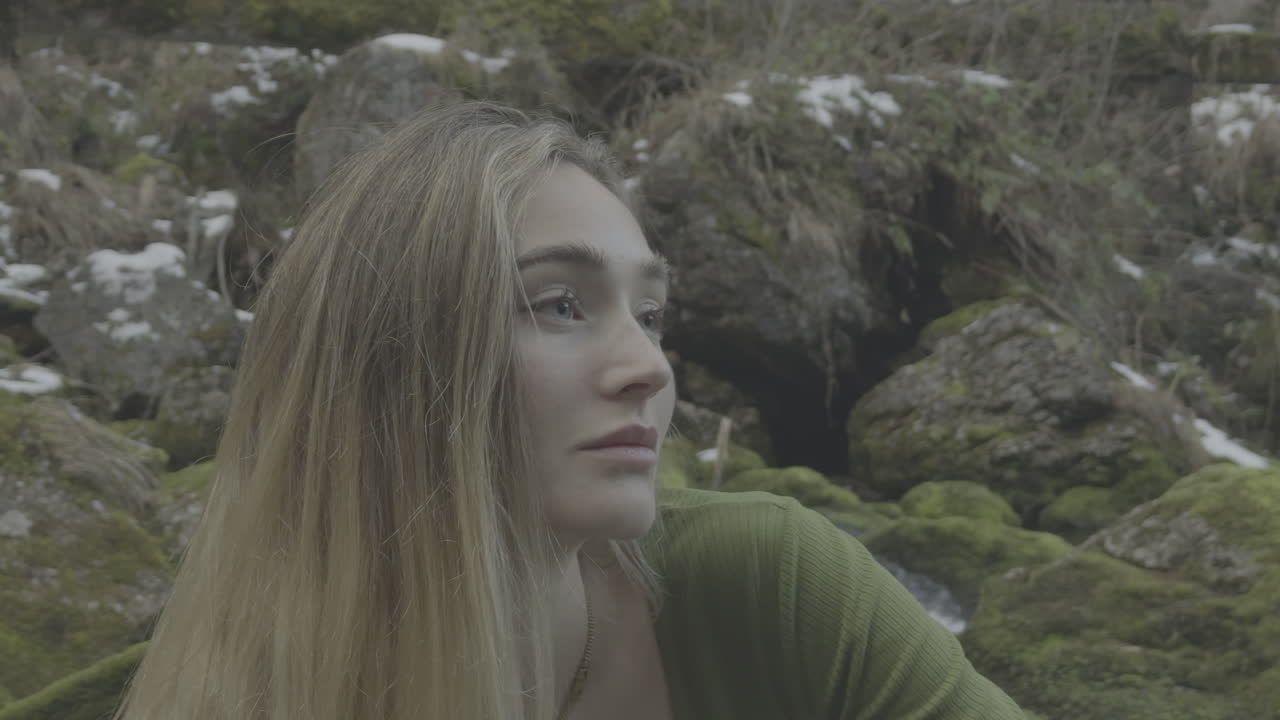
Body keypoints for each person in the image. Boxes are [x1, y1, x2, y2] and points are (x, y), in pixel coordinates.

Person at [111, 99, 1026, 720]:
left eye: (652, 314)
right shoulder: (209, 687)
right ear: (379, 366)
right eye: (559, 305)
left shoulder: (775, 590)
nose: (650, 370)